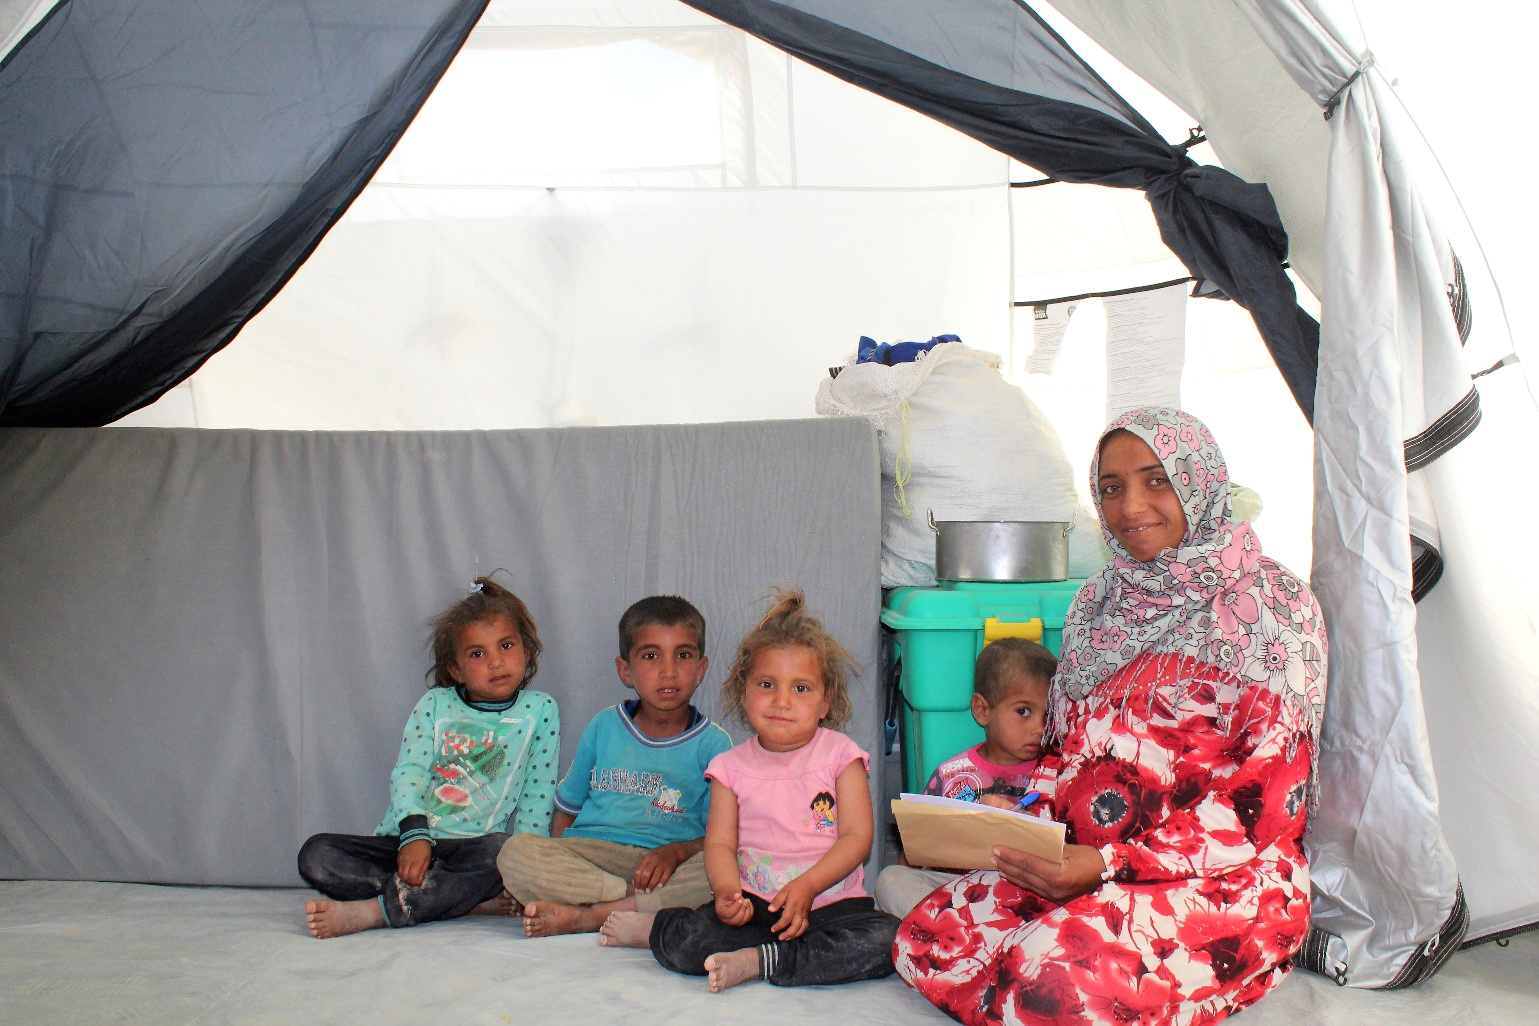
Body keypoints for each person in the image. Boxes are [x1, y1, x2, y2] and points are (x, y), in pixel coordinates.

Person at [894, 406, 1329, 1026]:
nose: (1130, 509)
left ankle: (1260, 947)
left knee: (1051, 982)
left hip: (1219, 874)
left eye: (1157, 480)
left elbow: (1266, 799)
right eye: (1111, 487)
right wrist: (1025, 819)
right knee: (932, 939)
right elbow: (1068, 755)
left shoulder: (1272, 607)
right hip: (1084, 855)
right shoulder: (1099, 603)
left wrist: (1107, 866)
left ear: (1199, 481)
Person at [597, 589, 900, 993]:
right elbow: (720, 844)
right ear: (744, 693)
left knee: (888, 941)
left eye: (801, 689)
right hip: (753, 907)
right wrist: (726, 892)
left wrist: (808, 887)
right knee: (691, 943)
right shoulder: (730, 767)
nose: (781, 702)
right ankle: (660, 927)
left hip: (831, 906)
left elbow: (857, 839)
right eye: (767, 684)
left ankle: (761, 961)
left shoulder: (841, 756)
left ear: (826, 700)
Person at [297, 577, 560, 938]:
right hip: (407, 842)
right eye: (477, 653)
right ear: (455, 669)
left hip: (472, 850)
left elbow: (538, 793)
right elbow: (410, 771)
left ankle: (376, 912)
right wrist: (415, 835)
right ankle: (451, 898)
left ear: (526, 651)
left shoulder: (539, 711)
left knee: (502, 855)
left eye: (506, 645)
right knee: (316, 855)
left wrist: (527, 873)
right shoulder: (435, 705)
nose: (496, 662)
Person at [497, 595, 733, 936]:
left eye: (683, 655)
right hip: (592, 855)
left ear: (701, 669)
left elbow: (720, 836)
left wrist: (676, 853)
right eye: (651, 656)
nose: (668, 671)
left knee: (726, 867)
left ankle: (587, 916)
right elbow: (566, 810)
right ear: (625, 670)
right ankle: (624, 902)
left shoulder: (715, 744)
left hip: (666, 863)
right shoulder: (604, 726)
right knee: (514, 852)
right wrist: (556, 862)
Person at [873, 637, 1055, 918]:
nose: (1039, 728)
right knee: (891, 881)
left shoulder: (1058, 772)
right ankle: (969, 938)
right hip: (958, 897)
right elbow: (914, 854)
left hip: (1027, 895)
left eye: (1049, 714)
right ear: (982, 710)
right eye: (1024, 712)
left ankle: (969, 942)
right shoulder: (951, 775)